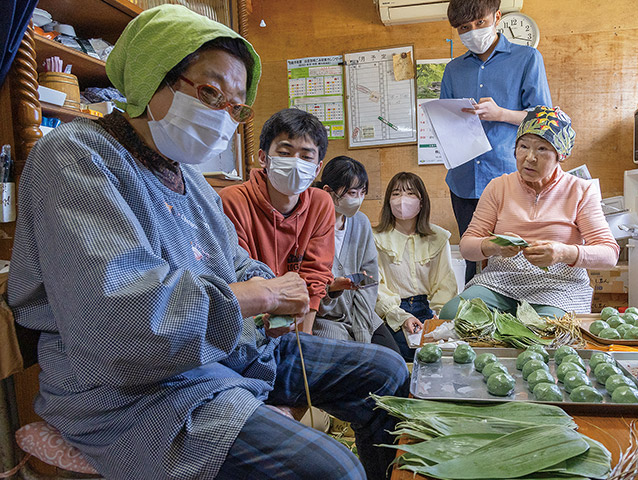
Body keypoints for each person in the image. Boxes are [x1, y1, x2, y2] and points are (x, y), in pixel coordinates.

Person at [7, 6, 408, 480]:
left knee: (388, 371)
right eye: (209, 92)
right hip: (137, 391)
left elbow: (233, 261)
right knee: (334, 471)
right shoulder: (75, 158)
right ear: (151, 75)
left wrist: (268, 283)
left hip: (225, 352)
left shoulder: (192, 181)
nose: (223, 117)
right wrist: (261, 294)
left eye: (235, 107)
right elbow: (122, 316)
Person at [440, 106, 620, 320]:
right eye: (523, 146)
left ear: (559, 155)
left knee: (545, 330)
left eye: (542, 149)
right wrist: (491, 246)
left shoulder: (580, 190)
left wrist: (562, 253)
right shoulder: (498, 187)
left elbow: (609, 254)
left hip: (559, 285)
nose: (530, 158)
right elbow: (468, 246)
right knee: (452, 314)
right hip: (501, 281)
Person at [441, 0, 552, 284]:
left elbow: (543, 119)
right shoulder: (454, 70)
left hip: (510, 177)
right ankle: (472, 320)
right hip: (464, 179)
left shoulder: (527, 58)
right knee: (473, 256)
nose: (473, 31)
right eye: (465, 28)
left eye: (480, 23)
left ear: (497, 17)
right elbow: (446, 118)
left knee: (515, 257)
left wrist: (501, 113)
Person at [219, 108, 335, 335]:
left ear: (317, 168)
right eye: (284, 152)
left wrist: (303, 339)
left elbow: (315, 275)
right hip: (248, 328)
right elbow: (240, 275)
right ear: (263, 157)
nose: (295, 162)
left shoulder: (321, 204)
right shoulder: (231, 201)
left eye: (306, 156)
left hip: (297, 325)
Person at [313, 156, 401, 353]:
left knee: (396, 362)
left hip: (361, 315)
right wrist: (331, 290)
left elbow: (368, 281)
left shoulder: (360, 222)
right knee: (356, 370)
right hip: (326, 320)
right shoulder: (310, 224)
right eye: (352, 193)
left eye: (362, 193)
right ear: (328, 191)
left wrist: (362, 332)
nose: (358, 199)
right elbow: (311, 286)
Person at [374, 172, 459, 362]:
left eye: (410, 193)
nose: (402, 199)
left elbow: (445, 282)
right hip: (392, 311)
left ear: (422, 201)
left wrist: (438, 318)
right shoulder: (376, 238)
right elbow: (376, 286)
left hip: (429, 309)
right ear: (388, 201)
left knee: (438, 358)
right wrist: (401, 317)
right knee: (399, 359)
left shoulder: (439, 237)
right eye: (396, 193)